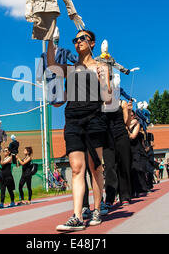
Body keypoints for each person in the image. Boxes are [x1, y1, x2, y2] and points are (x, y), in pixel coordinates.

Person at [48, 30, 112, 231]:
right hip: (73, 120)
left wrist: (103, 80)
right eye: (75, 40)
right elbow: (51, 65)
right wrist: (50, 38)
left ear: (91, 43)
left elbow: (108, 98)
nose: (77, 42)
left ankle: (96, 209)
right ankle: (76, 216)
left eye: (82, 38)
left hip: (94, 120)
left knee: (95, 167)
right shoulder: (70, 68)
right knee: (77, 168)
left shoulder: (100, 66)